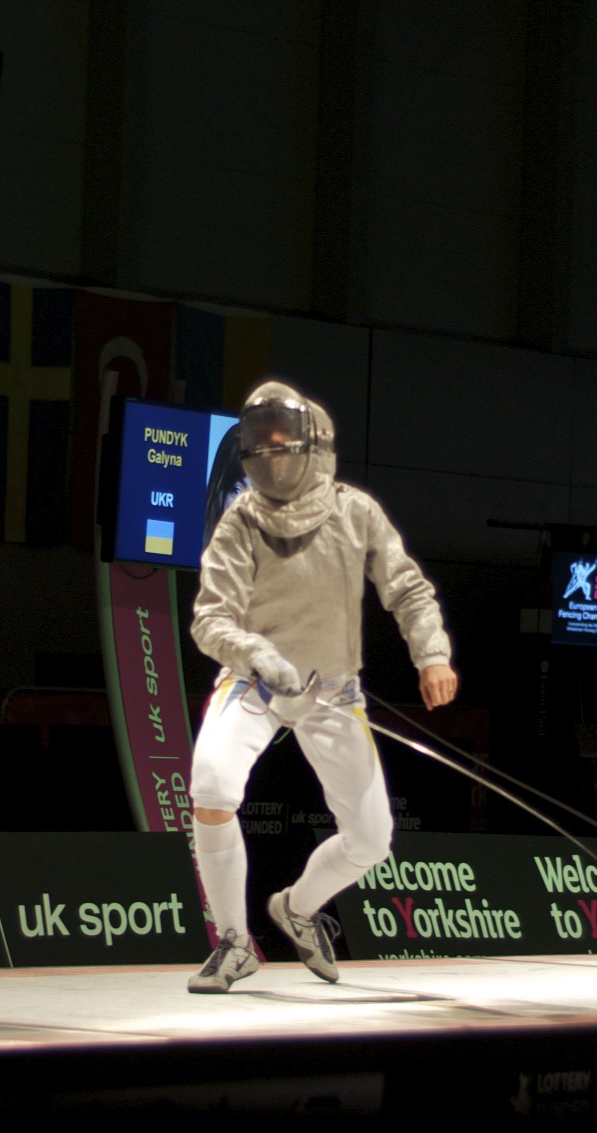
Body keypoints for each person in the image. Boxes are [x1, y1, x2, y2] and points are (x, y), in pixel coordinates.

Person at [187, 380, 458, 992]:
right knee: (211, 782)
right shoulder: (241, 521)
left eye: (284, 442)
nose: (272, 453)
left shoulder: (354, 511)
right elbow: (211, 618)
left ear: (314, 443)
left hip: (333, 691)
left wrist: (432, 654)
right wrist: (257, 653)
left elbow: (407, 588)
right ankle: (234, 941)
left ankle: (298, 907)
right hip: (255, 685)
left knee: (371, 840)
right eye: (262, 444)